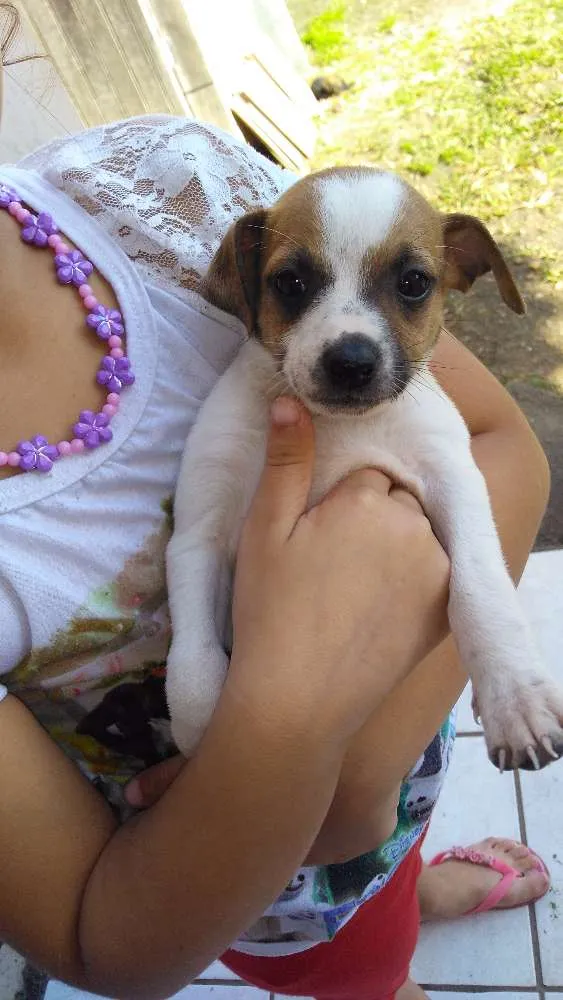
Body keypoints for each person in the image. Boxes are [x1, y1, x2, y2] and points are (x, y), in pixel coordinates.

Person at [0, 18, 551, 1000]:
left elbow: (483, 470)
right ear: (245, 283)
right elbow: (198, 549)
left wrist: (481, 678)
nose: (346, 339)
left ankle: (408, 888)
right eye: (297, 289)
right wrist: (282, 755)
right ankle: (384, 965)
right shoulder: (235, 403)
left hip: (402, 754)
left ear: (462, 275)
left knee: (386, 868)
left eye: (407, 287)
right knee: (350, 966)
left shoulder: (165, 179)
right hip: (236, 872)